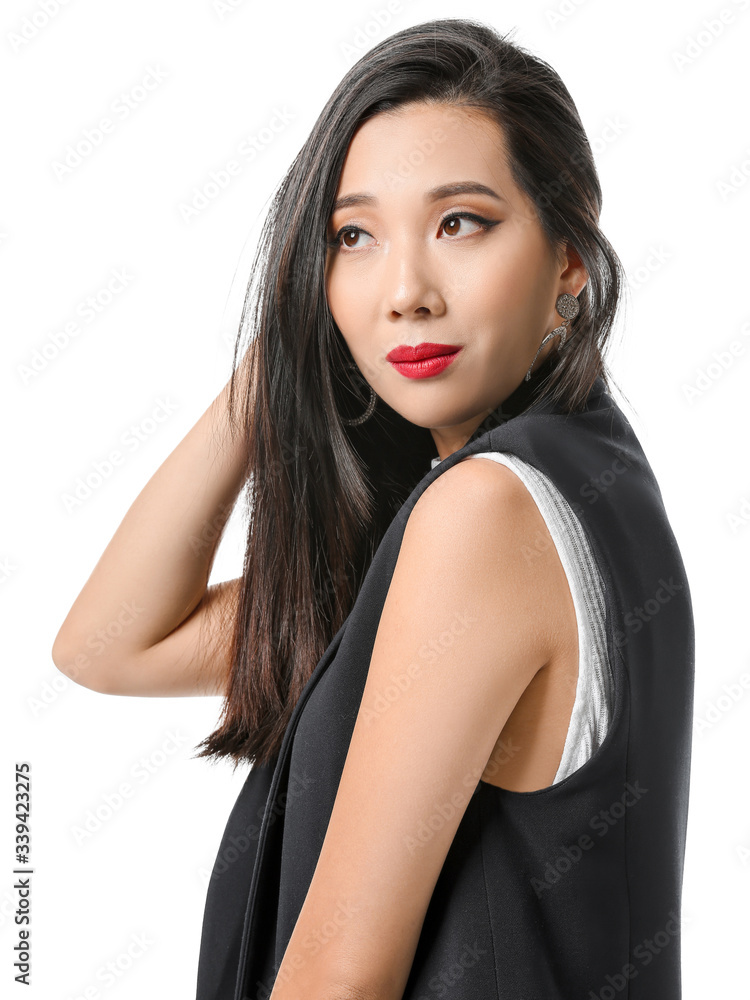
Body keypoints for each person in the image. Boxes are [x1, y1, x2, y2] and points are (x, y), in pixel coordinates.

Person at [51, 17, 695, 1000]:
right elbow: (107, 645)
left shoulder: (488, 512)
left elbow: (338, 982)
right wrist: (283, 363)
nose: (404, 292)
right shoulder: (578, 483)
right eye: (354, 236)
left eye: (460, 222)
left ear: (570, 260)